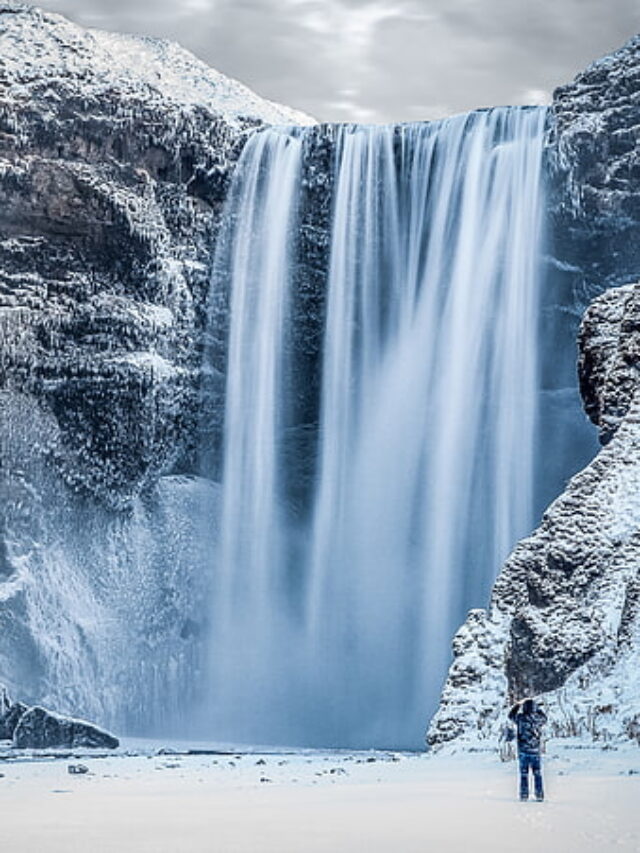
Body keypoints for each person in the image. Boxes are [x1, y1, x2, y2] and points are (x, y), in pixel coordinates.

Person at [508, 697, 547, 802]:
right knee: (537, 773)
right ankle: (539, 794)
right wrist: (538, 708)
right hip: (535, 751)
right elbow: (545, 718)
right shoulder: (538, 719)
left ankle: (524, 794)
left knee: (524, 774)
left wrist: (517, 705)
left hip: (523, 751)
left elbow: (511, 715)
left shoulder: (521, 718)